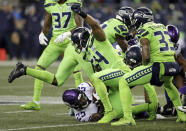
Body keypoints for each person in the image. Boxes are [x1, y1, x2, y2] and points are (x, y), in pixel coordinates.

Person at [110, 7, 186, 126]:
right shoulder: (162, 26)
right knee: (169, 85)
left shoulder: (144, 31)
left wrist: (144, 67)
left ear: (140, 20)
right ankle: (182, 115)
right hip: (172, 65)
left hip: (158, 66)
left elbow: (146, 55)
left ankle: (128, 118)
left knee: (123, 81)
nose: (134, 23)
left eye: (136, 20)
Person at [19, 0, 83, 110]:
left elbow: (80, 25)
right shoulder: (50, 3)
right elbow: (47, 23)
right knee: (39, 67)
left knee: (76, 71)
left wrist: (68, 33)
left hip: (71, 41)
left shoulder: (74, 2)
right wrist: (42, 33)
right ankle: (36, 101)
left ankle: (82, 102)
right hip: (56, 41)